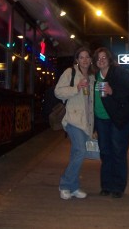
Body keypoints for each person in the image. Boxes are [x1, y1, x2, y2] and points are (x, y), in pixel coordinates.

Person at [93, 47, 129, 198]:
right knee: (105, 152)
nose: (101, 60)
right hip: (101, 119)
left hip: (119, 118)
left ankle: (118, 187)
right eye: (98, 58)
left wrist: (113, 91)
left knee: (118, 151)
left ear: (109, 59)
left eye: (104, 57)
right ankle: (106, 185)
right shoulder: (94, 76)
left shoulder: (119, 72)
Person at [54, 46, 95, 200]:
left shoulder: (92, 77)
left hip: (86, 122)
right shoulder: (70, 73)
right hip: (72, 119)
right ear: (77, 60)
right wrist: (76, 88)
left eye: (87, 57)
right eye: (81, 57)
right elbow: (58, 92)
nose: (85, 60)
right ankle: (65, 184)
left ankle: (73, 187)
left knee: (75, 154)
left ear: (91, 60)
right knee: (80, 152)